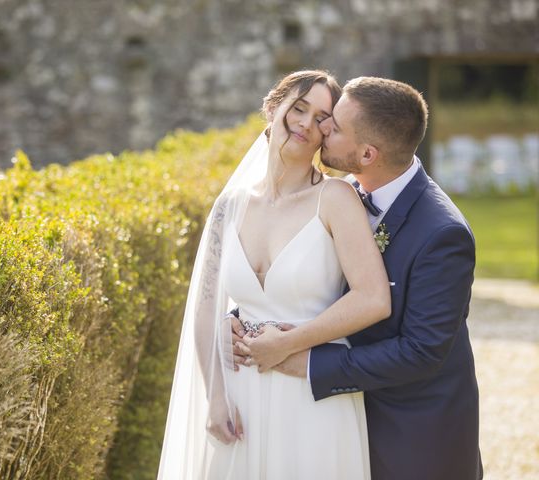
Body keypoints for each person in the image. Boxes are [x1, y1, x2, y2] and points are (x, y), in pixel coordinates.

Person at [234, 76, 483, 480]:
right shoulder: (337, 194)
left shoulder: (442, 235)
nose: (322, 128)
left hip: (412, 435)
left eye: (334, 126)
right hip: (327, 420)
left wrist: (310, 363)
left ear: (368, 153)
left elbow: (421, 351)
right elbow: (292, 273)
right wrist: (243, 315)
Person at [157, 70, 393, 479]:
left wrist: (287, 344)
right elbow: (205, 307)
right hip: (238, 396)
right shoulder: (229, 206)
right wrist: (214, 397)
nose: (305, 123)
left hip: (310, 393)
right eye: (298, 108)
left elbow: (373, 297)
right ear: (272, 108)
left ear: (328, 133)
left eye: (321, 118)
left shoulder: (336, 199)